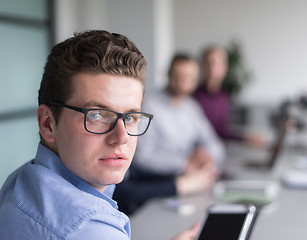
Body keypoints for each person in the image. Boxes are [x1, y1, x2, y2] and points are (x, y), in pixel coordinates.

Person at [0, 30, 198, 240]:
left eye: (130, 117)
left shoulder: (21, 181)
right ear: (48, 124)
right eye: (97, 115)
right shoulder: (88, 227)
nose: (121, 137)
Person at [113, 53, 225, 215]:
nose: (182, 83)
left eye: (188, 78)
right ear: (168, 75)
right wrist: (184, 164)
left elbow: (214, 143)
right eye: (178, 77)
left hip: (190, 183)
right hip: (157, 186)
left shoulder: (191, 107)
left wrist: (207, 155)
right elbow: (142, 159)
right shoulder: (149, 105)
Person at [193, 46, 264, 147]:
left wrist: (246, 137)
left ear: (225, 67)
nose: (212, 68)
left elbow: (222, 131)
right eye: (208, 63)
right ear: (202, 66)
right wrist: (244, 138)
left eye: (217, 63)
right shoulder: (193, 96)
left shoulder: (224, 96)